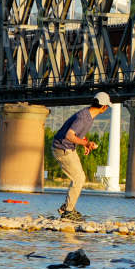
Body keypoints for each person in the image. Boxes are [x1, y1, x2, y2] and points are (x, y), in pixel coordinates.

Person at [49, 92, 111, 221]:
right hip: (62, 148)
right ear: (104, 107)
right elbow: (69, 135)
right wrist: (87, 143)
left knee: (79, 177)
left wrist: (84, 143)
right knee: (79, 178)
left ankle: (66, 208)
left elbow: (77, 133)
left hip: (68, 147)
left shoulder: (89, 115)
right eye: (107, 107)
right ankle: (68, 211)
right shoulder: (84, 117)